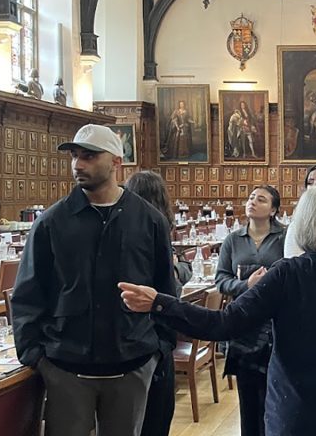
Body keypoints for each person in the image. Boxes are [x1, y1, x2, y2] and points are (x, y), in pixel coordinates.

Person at [119, 185, 316, 436]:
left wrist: (161, 303)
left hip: (294, 409)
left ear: (303, 224)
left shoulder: (286, 274)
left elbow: (224, 323)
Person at [11, 124, 176, 436]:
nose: (78, 165)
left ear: (116, 161)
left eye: (88, 156)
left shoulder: (148, 220)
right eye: (74, 156)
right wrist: (36, 356)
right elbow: (28, 293)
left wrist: (158, 348)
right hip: (65, 367)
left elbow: (165, 288)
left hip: (132, 363)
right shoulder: (51, 222)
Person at [215, 186, 287, 436]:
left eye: (261, 199)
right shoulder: (233, 240)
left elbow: (292, 273)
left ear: (274, 209)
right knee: (247, 397)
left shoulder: (285, 237)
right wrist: (245, 285)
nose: (252, 202)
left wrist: (266, 284)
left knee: (274, 398)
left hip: (275, 326)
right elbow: (221, 279)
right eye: (251, 198)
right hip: (243, 325)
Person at [123, 170, 185, 436]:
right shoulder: (160, 227)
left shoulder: (133, 228)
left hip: (140, 340)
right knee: (155, 419)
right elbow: (174, 287)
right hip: (153, 337)